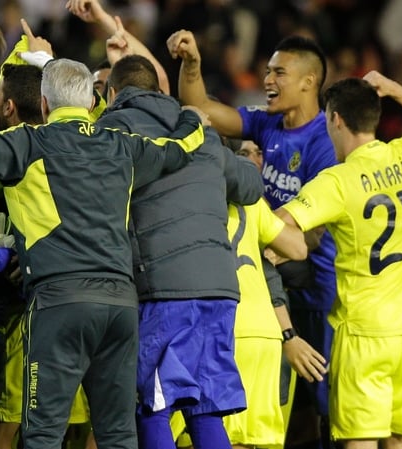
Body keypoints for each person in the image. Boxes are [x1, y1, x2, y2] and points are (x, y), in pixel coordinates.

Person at [0, 58, 207, 449]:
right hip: (121, 305)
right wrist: (192, 118)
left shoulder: (27, 143)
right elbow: (180, 148)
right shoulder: (123, 145)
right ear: (91, 102)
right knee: (118, 433)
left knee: (43, 434)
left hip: (60, 304)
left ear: (44, 105)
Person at [168, 31, 336, 449]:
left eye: (279, 71)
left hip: (312, 290)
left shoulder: (323, 142)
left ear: (308, 81)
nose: (268, 80)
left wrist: (268, 241)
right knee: (275, 409)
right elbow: (201, 109)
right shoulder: (267, 124)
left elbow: (314, 232)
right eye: (266, 71)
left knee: (318, 411)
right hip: (267, 286)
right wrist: (192, 65)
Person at [276, 72, 402, 449]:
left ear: (336, 119)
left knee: (359, 443)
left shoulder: (337, 181)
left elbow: (280, 225)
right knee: (401, 440)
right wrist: (394, 89)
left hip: (365, 335)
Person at [95, 53, 262, 449]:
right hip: (220, 291)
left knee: (153, 406)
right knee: (204, 407)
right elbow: (251, 187)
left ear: (113, 92)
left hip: (165, 292)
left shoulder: (113, 128)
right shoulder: (199, 130)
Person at [0, 63, 91, 449]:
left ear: (10, 106)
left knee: (15, 424)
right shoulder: (90, 146)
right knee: (74, 427)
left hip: (31, 313)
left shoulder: (11, 151)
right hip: (91, 299)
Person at [223, 140, 320, 449]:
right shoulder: (254, 204)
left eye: (258, 152)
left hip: (227, 331)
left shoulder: (187, 196)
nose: (256, 158)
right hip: (265, 334)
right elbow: (298, 247)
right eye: (245, 153)